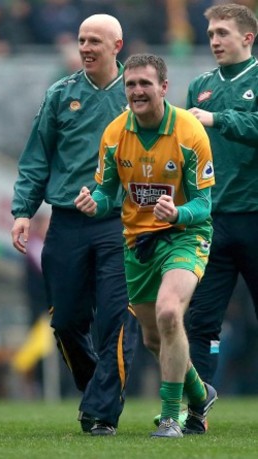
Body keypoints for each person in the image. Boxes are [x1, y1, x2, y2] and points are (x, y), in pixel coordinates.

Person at [75, 53, 218, 438]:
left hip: (186, 236)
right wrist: (94, 204)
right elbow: (107, 195)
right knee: (155, 337)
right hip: (137, 242)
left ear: (164, 88)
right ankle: (200, 394)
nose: (137, 91)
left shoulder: (190, 133)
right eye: (130, 84)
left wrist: (178, 214)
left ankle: (174, 417)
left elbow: (205, 204)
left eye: (145, 84)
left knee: (170, 312)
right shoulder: (114, 134)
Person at [10, 14, 138, 436]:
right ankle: (98, 390)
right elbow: (35, 158)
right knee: (64, 321)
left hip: (119, 223)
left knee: (117, 319)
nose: (85, 47)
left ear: (116, 46)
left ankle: (101, 413)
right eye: (82, 40)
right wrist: (23, 211)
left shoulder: (136, 95)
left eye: (94, 41)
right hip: (65, 223)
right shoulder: (60, 94)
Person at [185, 3, 258, 407]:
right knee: (202, 320)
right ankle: (198, 406)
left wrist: (217, 119)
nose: (214, 40)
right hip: (212, 220)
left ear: (248, 37)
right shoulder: (200, 86)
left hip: (255, 214)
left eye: (223, 33)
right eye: (211, 33)